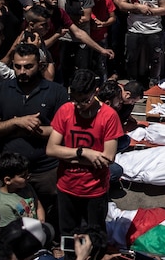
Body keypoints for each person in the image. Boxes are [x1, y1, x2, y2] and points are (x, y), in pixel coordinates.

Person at [0, 43, 70, 225]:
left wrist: (34, 129)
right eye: (17, 66)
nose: (22, 71)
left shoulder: (57, 92)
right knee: (12, 217)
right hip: (10, 172)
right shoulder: (1, 90)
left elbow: (64, 130)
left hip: (46, 170)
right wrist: (16, 121)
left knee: (51, 210)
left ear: (40, 65)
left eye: (28, 66)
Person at [46, 69, 124, 235]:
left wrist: (67, 155)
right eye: (74, 100)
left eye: (84, 100)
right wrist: (85, 153)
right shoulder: (66, 110)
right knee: (67, 233)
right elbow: (51, 149)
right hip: (66, 186)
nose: (78, 105)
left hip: (95, 190)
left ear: (96, 92)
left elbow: (107, 159)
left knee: (95, 234)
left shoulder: (109, 116)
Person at [117, 0, 165, 86]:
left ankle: (153, 83)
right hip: (134, 29)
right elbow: (122, 4)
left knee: (155, 59)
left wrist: (150, 10)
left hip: (153, 30)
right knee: (131, 58)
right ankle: (132, 83)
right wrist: (138, 7)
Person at [0, 151, 44, 227]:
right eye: (23, 176)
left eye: (27, 173)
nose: (28, 177)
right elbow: (11, 233)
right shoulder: (3, 206)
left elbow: (38, 205)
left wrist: (41, 222)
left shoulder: (26, 186)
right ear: (8, 180)